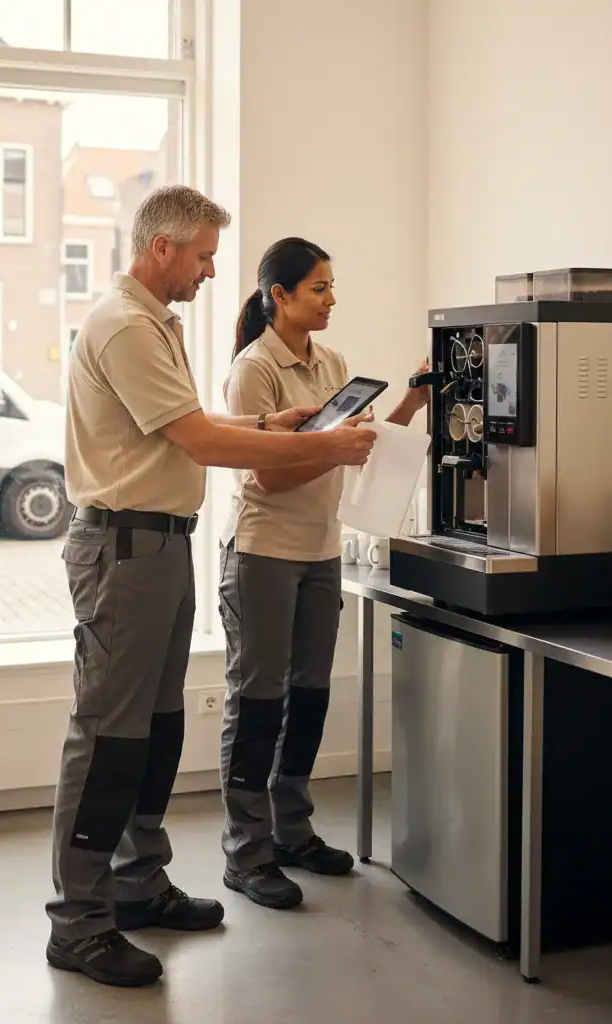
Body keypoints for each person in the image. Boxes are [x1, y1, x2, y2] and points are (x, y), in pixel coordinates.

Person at [46, 189, 378, 989]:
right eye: (202, 256)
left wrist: (273, 427)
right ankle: (79, 922)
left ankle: (137, 881)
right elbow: (198, 439)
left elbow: (185, 424)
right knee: (109, 736)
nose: (211, 271)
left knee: (156, 729)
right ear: (161, 248)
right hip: (124, 550)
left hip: (160, 546)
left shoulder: (153, 324)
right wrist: (322, 448)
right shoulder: (125, 326)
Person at [218, 237, 429, 910]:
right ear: (279, 296)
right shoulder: (255, 369)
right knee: (257, 702)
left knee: (308, 696)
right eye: (319, 287)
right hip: (262, 551)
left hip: (319, 551)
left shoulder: (332, 363)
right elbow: (271, 476)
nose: (331, 298)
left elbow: (360, 449)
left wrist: (411, 405)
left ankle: (292, 832)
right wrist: (332, 447)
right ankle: (246, 853)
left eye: (332, 286)